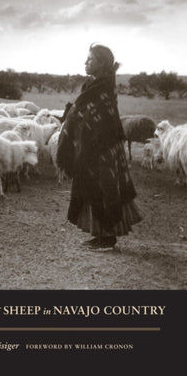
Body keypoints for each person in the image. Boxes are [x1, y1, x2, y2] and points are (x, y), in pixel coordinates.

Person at [57, 43, 142, 249]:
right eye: (86, 59)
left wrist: (73, 119)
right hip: (92, 146)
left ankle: (108, 236)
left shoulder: (103, 86)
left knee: (105, 188)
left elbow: (99, 117)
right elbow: (82, 113)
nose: (85, 62)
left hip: (103, 147)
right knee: (91, 187)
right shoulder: (93, 85)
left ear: (102, 63)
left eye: (90, 59)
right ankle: (100, 234)